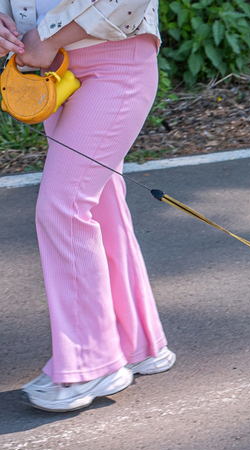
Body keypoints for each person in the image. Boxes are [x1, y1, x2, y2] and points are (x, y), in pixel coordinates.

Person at [0, 0, 175, 412]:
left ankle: (90, 364)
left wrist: (46, 38)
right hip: (51, 68)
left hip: (113, 58)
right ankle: (137, 343)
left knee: (62, 206)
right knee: (101, 203)